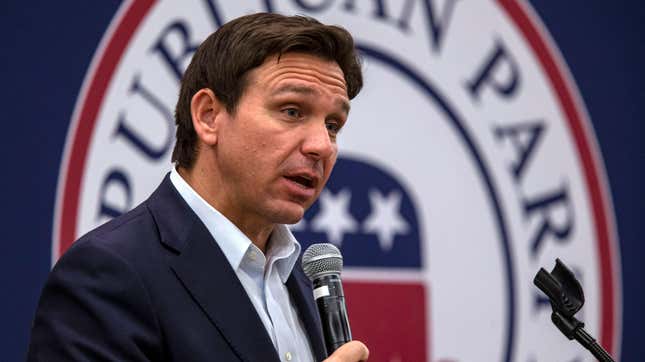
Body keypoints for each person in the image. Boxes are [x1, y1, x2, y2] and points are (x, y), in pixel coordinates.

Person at [27, 12, 368, 362]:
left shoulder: (298, 278)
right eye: (292, 111)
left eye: (332, 124)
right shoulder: (107, 274)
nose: (322, 146)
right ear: (208, 115)